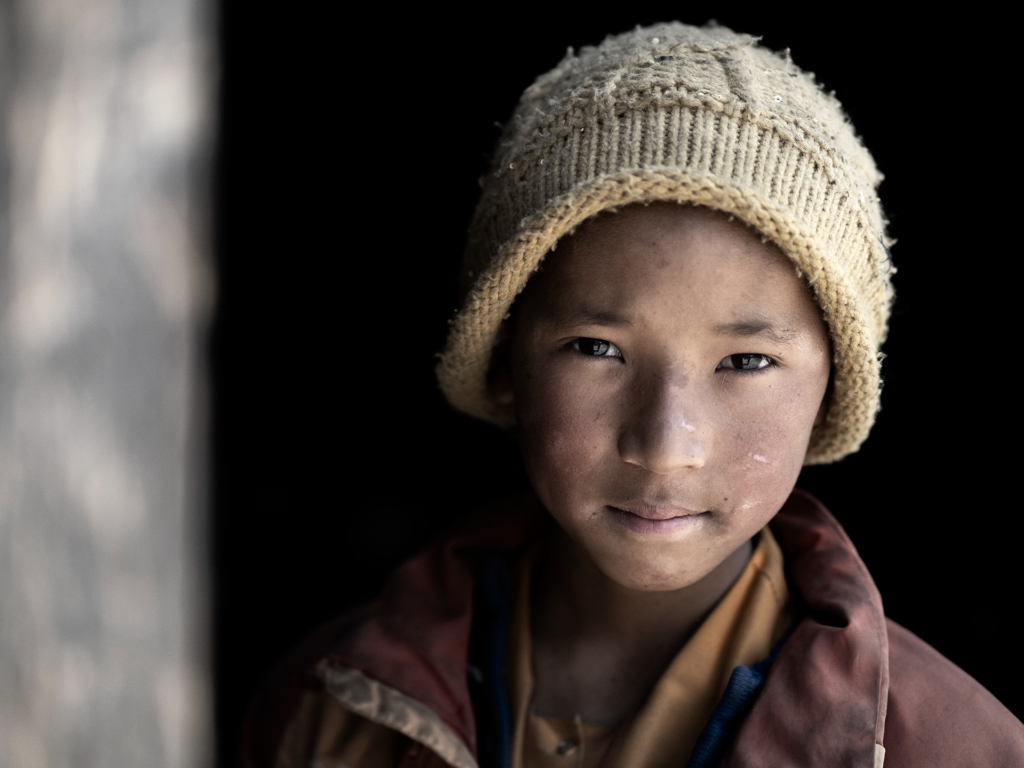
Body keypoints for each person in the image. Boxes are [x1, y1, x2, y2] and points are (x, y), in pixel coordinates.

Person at [239, 21, 1024, 768]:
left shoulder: (950, 745)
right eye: (596, 349)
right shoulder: (332, 710)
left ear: (830, 390)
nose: (665, 441)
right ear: (507, 360)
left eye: (746, 361)